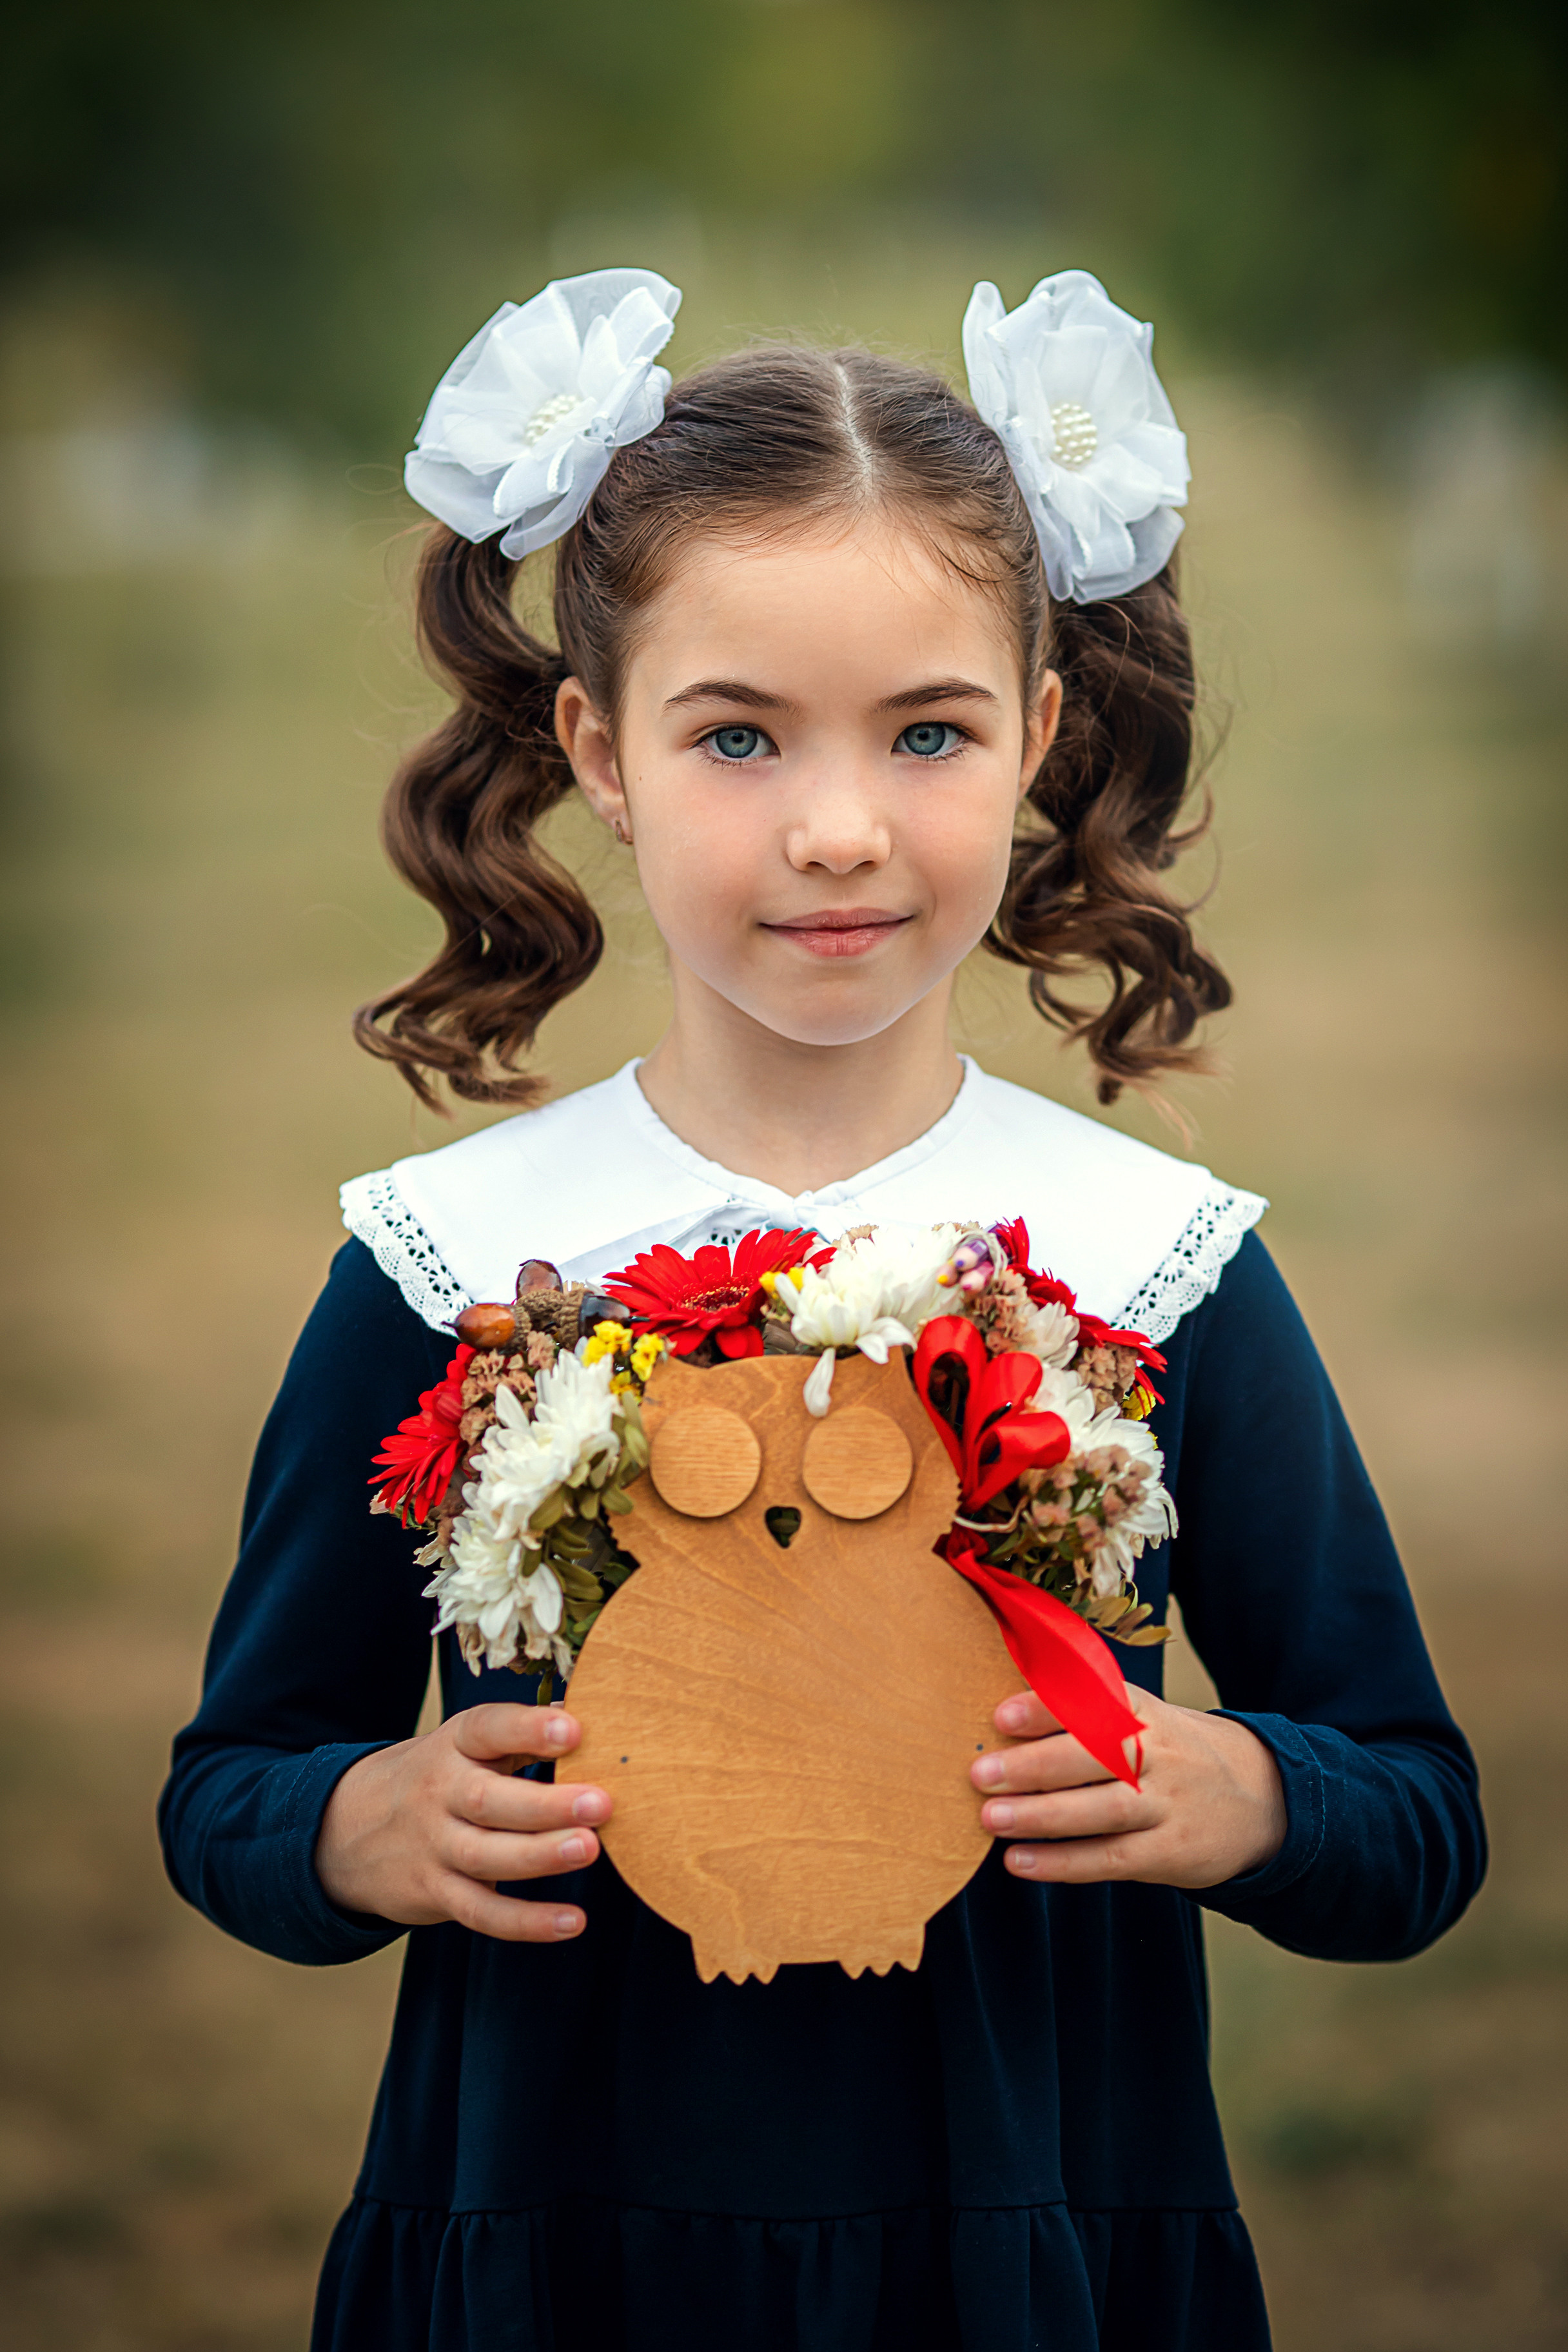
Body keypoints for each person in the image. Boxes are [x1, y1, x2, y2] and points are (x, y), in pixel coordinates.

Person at [159, 268, 1485, 2352]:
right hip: (552, 2251)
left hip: (1027, 2244)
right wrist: (352, 1826)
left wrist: (1245, 1791)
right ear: (600, 751)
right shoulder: (454, 1259)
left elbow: (1415, 1821)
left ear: (1040, 736)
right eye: (740, 734)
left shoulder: (1153, 1259)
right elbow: (235, 1777)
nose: (841, 825)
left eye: (930, 731)